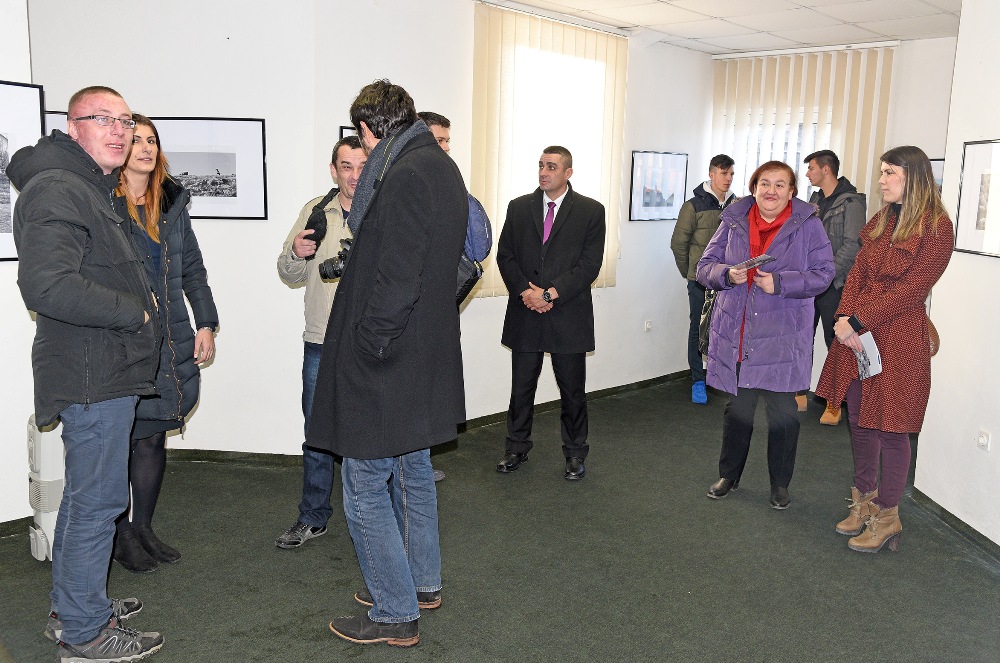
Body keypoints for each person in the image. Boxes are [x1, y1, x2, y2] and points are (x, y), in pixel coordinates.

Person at [307, 80, 468, 647]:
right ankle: (419, 582)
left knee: (365, 482)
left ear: (372, 131)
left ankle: (396, 611)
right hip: (423, 352)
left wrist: (369, 343)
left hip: (389, 356)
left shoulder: (403, 176)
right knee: (415, 472)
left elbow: (397, 275)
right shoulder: (439, 167)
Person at [9, 86, 164, 660]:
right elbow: (47, 285)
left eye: (126, 120)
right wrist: (135, 312)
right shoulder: (59, 189)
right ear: (72, 127)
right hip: (91, 372)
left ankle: (75, 607)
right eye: (103, 119)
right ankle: (84, 634)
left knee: (85, 500)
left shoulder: (85, 187)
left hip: (101, 369)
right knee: (98, 503)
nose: (120, 131)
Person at [817, 146, 953, 553]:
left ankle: (889, 515)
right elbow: (857, 272)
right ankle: (864, 499)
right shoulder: (881, 219)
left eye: (889, 173)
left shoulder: (937, 227)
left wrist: (857, 322)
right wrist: (844, 322)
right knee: (859, 420)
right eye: (881, 172)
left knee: (892, 427)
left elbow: (912, 290)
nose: (881, 180)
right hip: (858, 333)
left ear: (913, 176)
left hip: (898, 335)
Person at [111, 114, 219, 574]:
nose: (145, 148)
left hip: (170, 336)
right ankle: (118, 536)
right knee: (116, 442)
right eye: (135, 140)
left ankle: (143, 527)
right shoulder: (102, 202)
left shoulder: (171, 204)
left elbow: (193, 267)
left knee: (152, 437)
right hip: (122, 340)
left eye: (151, 140)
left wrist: (207, 322)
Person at [697, 160, 834, 510]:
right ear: (754, 187)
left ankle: (780, 484)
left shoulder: (809, 226)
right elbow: (704, 267)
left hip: (783, 336)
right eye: (765, 184)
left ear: (791, 191)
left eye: (780, 185)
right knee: (738, 410)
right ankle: (729, 475)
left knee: (783, 414)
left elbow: (823, 274)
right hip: (739, 334)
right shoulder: (732, 221)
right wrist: (727, 274)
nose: (771, 191)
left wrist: (782, 283)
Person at [274, 135, 366, 549]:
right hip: (322, 340)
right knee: (317, 433)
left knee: (372, 434)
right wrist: (296, 251)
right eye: (346, 166)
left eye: (362, 166)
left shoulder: (386, 211)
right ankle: (313, 517)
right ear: (334, 170)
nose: (354, 175)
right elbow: (289, 274)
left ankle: (372, 518)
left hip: (370, 343)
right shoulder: (315, 211)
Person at [495, 146, 606, 480]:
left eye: (552, 167)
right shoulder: (518, 208)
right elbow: (505, 256)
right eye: (541, 166)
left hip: (567, 312)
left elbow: (590, 264)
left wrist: (550, 292)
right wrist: (527, 292)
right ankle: (516, 447)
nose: (544, 172)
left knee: (572, 390)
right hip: (526, 309)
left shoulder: (590, 211)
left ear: (568, 172)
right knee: (521, 387)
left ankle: (575, 453)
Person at [802, 150, 866, 425]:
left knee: (835, 342)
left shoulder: (852, 203)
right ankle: (799, 391)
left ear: (826, 170)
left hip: (834, 283)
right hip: (809, 281)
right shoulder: (814, 199)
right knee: (803, 337)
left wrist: (827, 275)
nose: (807, 174)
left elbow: (853, 245)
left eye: (811, 169)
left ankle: (834, 403)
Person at [671, 154, 736, 404]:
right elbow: (678, 244)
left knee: (724, 329)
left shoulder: (737, 204)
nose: (728, 179)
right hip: (699, 280)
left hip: (727, 279)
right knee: (698, 329)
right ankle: (698, 380)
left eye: (731, 174)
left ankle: (719, 379)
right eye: (723, 173)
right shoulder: (693, 206)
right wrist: (691, 272)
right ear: (711, 174)